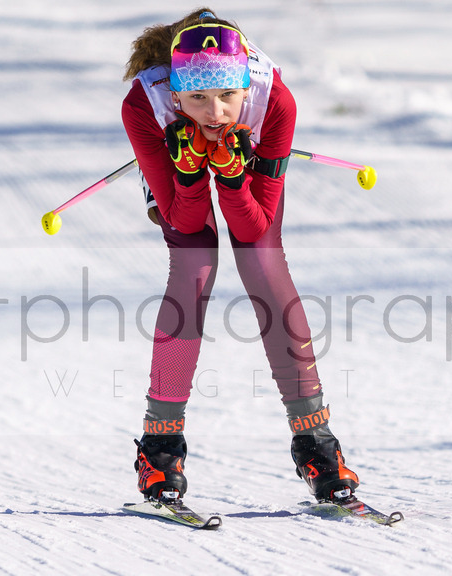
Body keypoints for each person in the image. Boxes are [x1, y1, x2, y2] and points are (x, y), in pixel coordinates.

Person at [121, 8, 360, 505]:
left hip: (249, 158)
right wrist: (188, 174)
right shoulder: (146, 106)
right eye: (199, 99)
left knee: (264, 266)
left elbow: (254, 227)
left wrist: (231, 177)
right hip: (168, 152)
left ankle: (317, 445)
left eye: (227, 97)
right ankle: (160, 449)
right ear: (176, 93)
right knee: (194, 267)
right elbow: (187, 224)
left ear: (244, 88)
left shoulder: (275, 104)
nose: (215, 114)